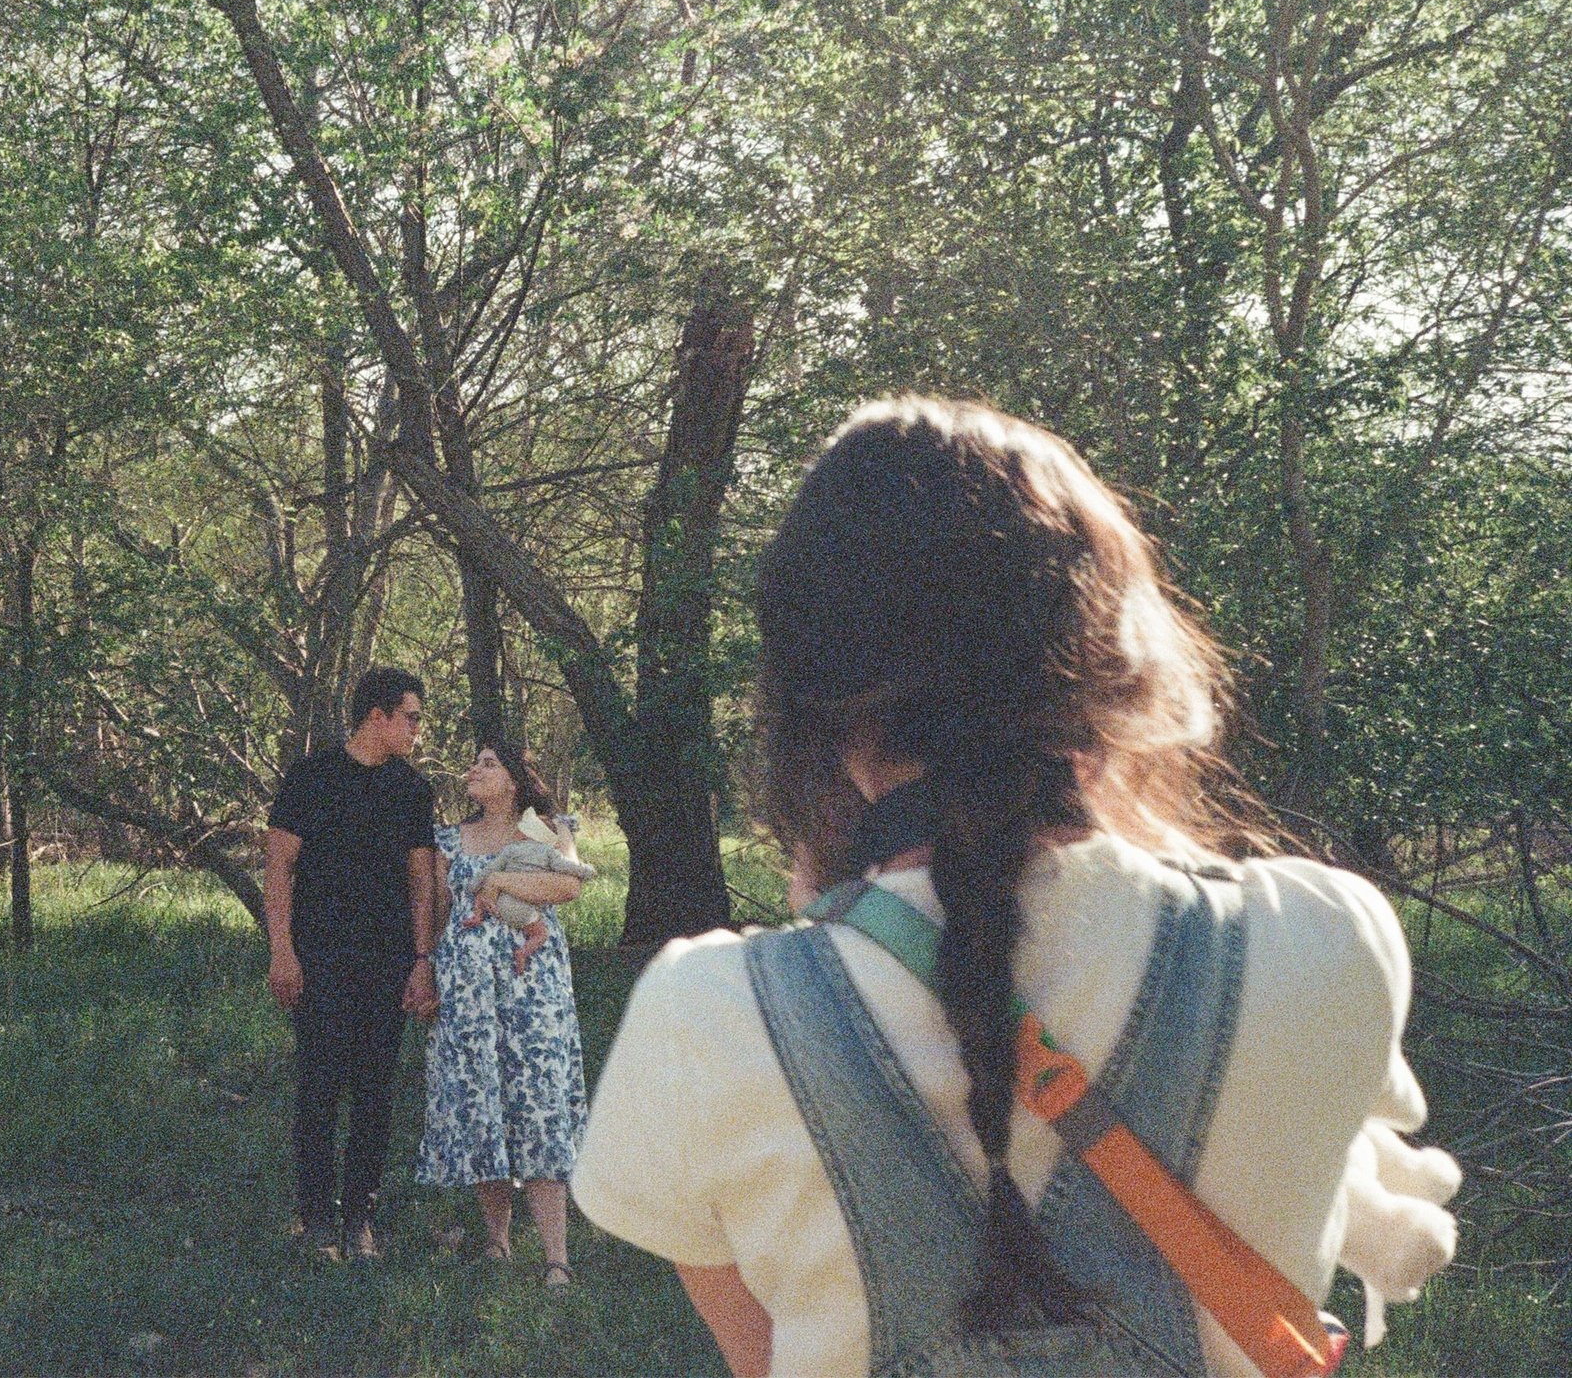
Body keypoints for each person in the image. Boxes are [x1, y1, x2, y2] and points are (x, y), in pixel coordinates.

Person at [573, 398, 1459, 1377]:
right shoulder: (1324, 943)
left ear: (810, 700)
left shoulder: (705, 1017)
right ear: (1112, 656)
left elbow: (762, 1356)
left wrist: (838, 895)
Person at [264, 666, 440, 1262]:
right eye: (411, 717)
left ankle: (360, 1217)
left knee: (374, 1091)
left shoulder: (413, 791)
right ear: (378, 716)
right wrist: (282, 950)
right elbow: (279, 869)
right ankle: (315, 1219)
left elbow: (421, 881)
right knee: (318, 1086)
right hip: (318, 959)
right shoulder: (310, 779)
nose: (418, 729)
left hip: (387, 961)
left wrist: (422, 960)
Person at [416, 745, 591, 1289]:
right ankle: (497, 1239)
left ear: (514, 781)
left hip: (532, 988)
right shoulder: (447, 839)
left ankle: (556, 1257)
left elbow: (567, 885)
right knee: (481, 1100)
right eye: (473, 762)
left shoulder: (540, 835)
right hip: (467, 990)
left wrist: (495, 883)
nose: (474, 769)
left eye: (488, 763)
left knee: (538, 1101)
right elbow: (436, 910)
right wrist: (424, 971)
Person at [466, 805, 595, 973]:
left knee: (482, 891)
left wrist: (473, 885)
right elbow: (567, 867)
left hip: (501, 900)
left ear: (525, 834)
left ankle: (477, 915)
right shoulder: (549, 852)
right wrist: (587, 871)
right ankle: (522, 952)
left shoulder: (510, 850)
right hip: (523, 907)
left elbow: (488, 870)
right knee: (540, 934)